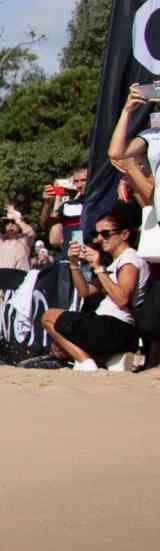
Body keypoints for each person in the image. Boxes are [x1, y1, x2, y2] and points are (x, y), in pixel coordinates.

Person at [42, 202, 149, 370]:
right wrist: (74, 264)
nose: (99, 239)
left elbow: (121, 299)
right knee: (57, 348)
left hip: (116, 326)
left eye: (105, 234)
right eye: (96, 233)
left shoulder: (130, 260)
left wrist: (98, 267)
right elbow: (85, 291)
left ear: (125, 234)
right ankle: (110, 360)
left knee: (48, 316)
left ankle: (87, 363)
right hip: (110, 326)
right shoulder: (116, 263)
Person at [106, 84, 160, 368]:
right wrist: (128, 109)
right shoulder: (152, 135)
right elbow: (117, 154)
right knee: (152, 314)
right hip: (156, 227)